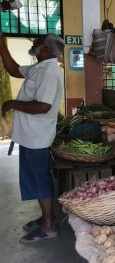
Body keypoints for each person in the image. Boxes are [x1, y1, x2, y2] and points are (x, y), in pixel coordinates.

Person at [0, 33, 65, 243]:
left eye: (37, 42)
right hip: (30, 137)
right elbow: (13, 69)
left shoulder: (49, 72)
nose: (34, 44)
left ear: (45, 49)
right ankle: (48, 217)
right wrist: (1, 44)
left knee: (40, 180)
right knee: (35, 180)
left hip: (38, 137)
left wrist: (12, 103)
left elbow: (43, 107)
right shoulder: (40, 67)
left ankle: (49, 227)